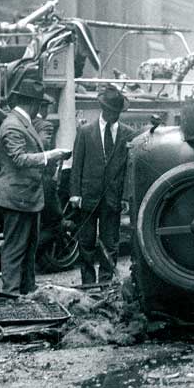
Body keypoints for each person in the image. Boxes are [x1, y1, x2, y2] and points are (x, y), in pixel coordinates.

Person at [0, 79, 68, 295]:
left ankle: (27, 290)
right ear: (33, 104)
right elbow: (18, 158)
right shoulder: (13, 125)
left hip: (26, 196)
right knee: (15, 249)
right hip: (17, 197)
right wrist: (49, 156)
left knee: (28, 248)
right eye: (39, 104)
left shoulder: (21, 123)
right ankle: (11, 294)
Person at [70, 85, 136, 285]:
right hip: (88, 197)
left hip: (113, 198)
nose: (113, 116)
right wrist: (75, 193)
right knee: (86, 241)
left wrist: (125, 196)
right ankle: (88, 283)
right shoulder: (85, 132)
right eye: (110, 112)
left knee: (110, 241)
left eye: (117, 113)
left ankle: (106, 282)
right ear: (103, 109)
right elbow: (77, 165)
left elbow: (129, 169)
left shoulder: (128, 134)